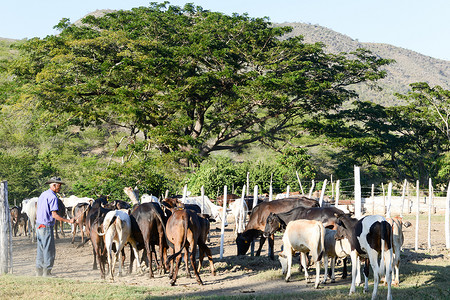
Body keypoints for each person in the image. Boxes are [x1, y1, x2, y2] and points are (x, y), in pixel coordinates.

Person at [36, 176, 74, 277]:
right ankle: (47, 272)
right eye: (59, 186)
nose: (60, 188)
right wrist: (68, 220)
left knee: (41, 249)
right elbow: (54, 215)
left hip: (38, 225)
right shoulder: (53, 197)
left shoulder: (43, 194)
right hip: (46, 226)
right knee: (49, 249)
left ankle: (39, 271)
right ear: (53, 185)